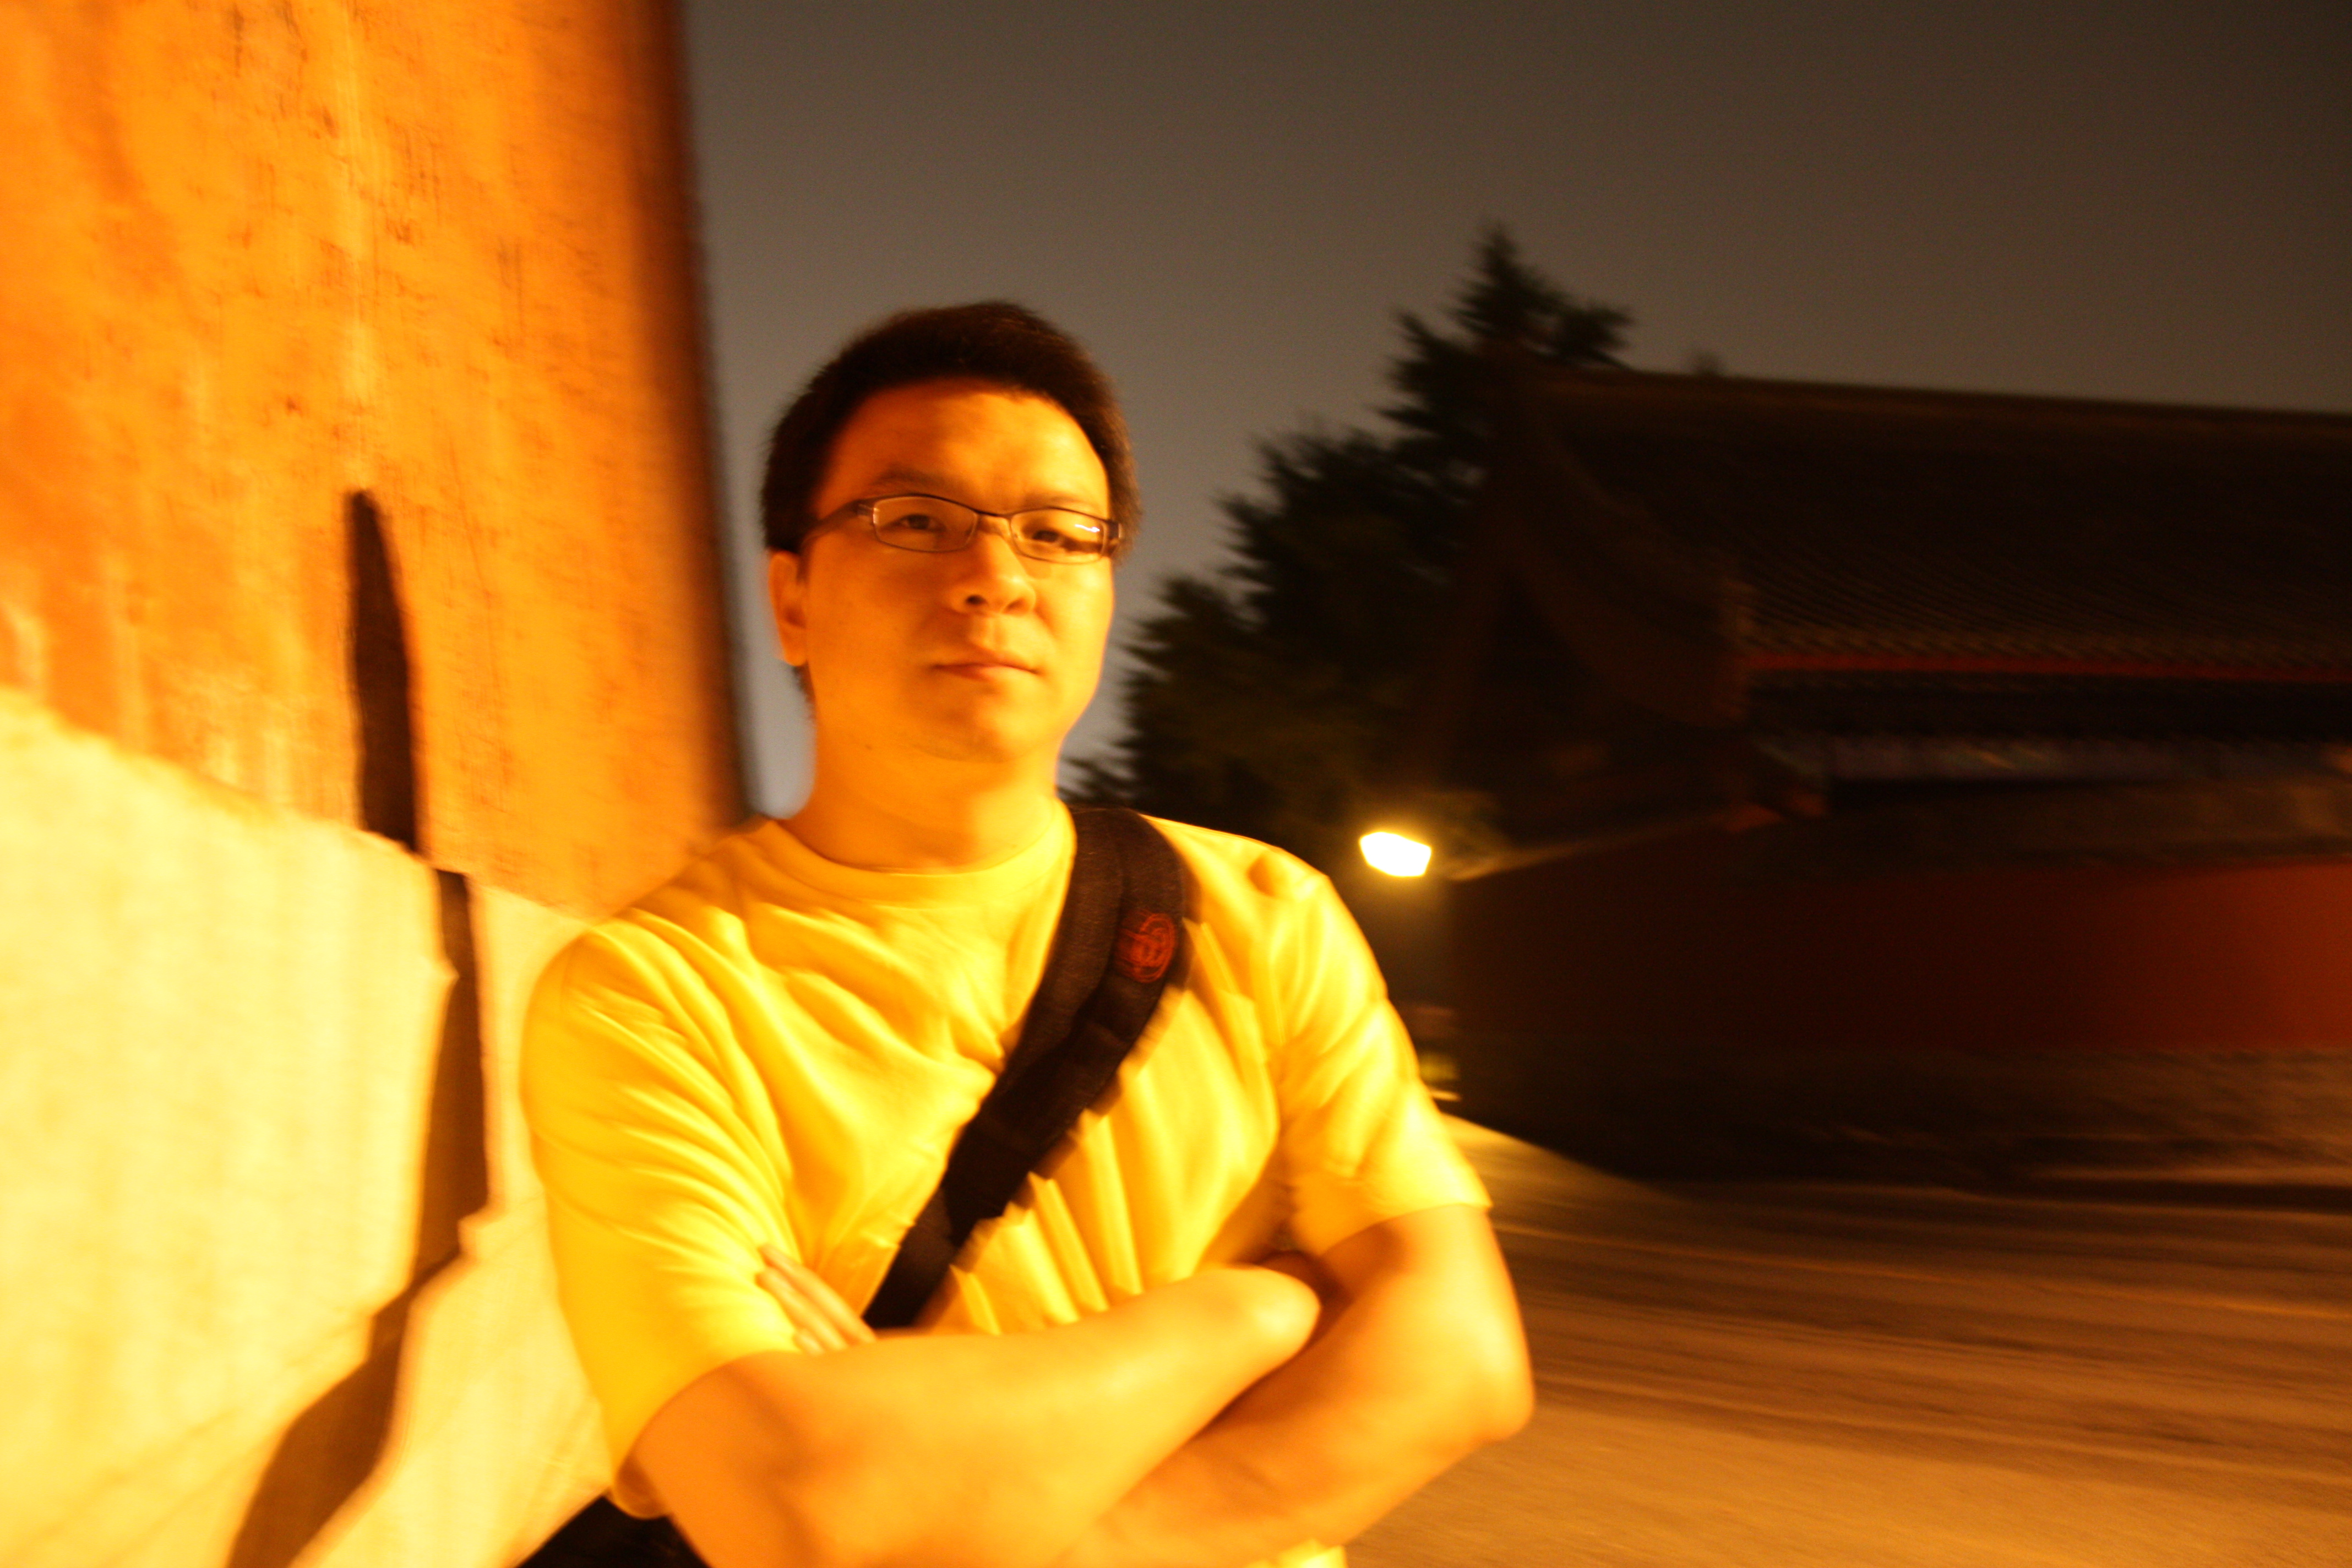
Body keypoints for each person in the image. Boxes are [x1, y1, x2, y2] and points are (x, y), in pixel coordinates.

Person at [520, 302, 1532, 1568]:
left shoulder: (1263, 916)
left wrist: (1027, 1527)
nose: (997, 574)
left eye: (1057, 534)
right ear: (791, 599)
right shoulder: (651, 995)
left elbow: (1462, 1356)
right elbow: (793, 1502)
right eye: (916, 519)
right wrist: (1261, 1307)